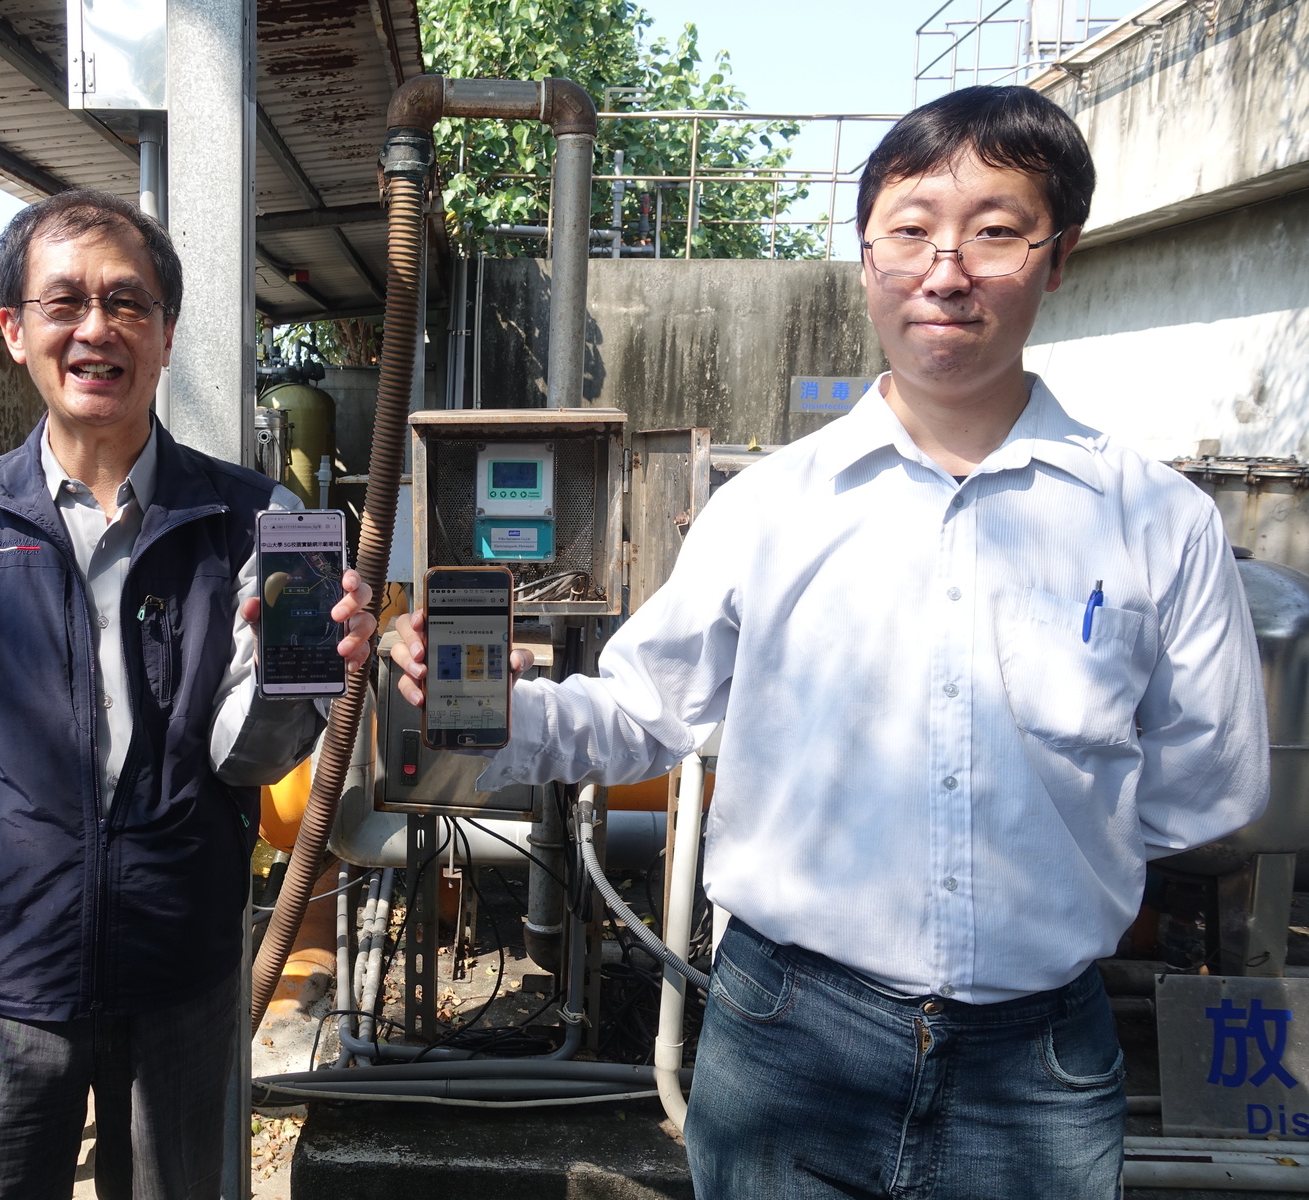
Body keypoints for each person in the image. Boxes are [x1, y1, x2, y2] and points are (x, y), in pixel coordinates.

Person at [391, 85, 1268, 1199]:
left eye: (995, 230)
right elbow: (642, 713)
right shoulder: (772, 507)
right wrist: (499, 715)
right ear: (866, 260)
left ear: (1059, 258)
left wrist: (1054, 856)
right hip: (787, 1039)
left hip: (1035, 1063)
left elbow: (1208, 786)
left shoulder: (1154, 521)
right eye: (910, 230)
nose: (945, 268)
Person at [0, 189, 376, 1200]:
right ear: (15, 330)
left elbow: (247, 761)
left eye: (128, 303)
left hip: (180, 967)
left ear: (167, 334)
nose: (98, 328)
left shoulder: (255, 518)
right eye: (64, 303)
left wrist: (296, 674)